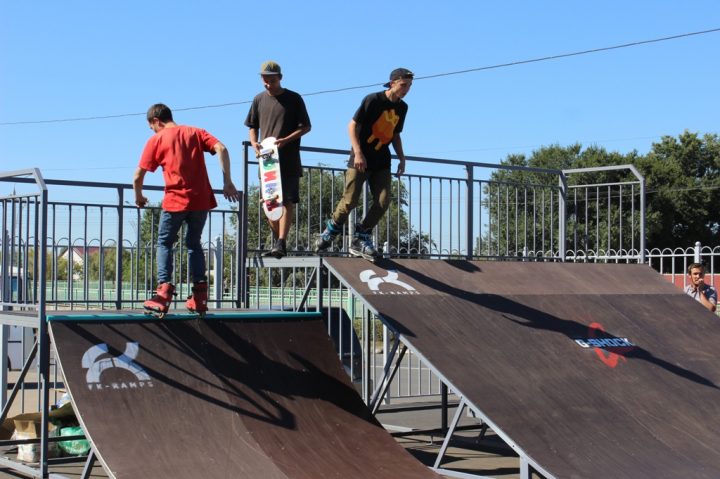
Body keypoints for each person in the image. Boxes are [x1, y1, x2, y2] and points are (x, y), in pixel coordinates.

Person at [133, 103, 240, 316]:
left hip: (175, 200)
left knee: (164, 242)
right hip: (200, 200)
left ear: (156, 121)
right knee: (193, 243)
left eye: (151, 127)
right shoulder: (195, 132)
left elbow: (138, 176)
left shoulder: (157, 139)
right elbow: (222, 148)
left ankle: (163, 294)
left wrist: (139, 196)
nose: (152, 131)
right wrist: (227, 181)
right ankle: (199, 297)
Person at [315, 67, 413, 259]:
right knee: (350, 200)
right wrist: (358, 152)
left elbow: (395, 134)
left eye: (409, 86)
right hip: (360, 158)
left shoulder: (403, 108)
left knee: (383, 201)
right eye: (403, 85)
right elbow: (352, 125)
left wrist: (402, 157)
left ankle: (361, 236)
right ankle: (331, 230)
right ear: (392, 83)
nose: (406, 89)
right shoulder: (373, 100)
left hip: (382, 161)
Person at [245, 60, 312, 258]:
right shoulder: (258, 99)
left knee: (287, 200)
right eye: (265, 80)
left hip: (289, 158)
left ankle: (281, 241)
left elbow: (306, 127)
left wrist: (286, 140)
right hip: (267, 161)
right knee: (269, 202)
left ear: (280, 78)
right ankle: (277, 243)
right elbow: (252, 126)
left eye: (272, 80)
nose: (268, 84)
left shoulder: (294, 98)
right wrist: (254, 143)